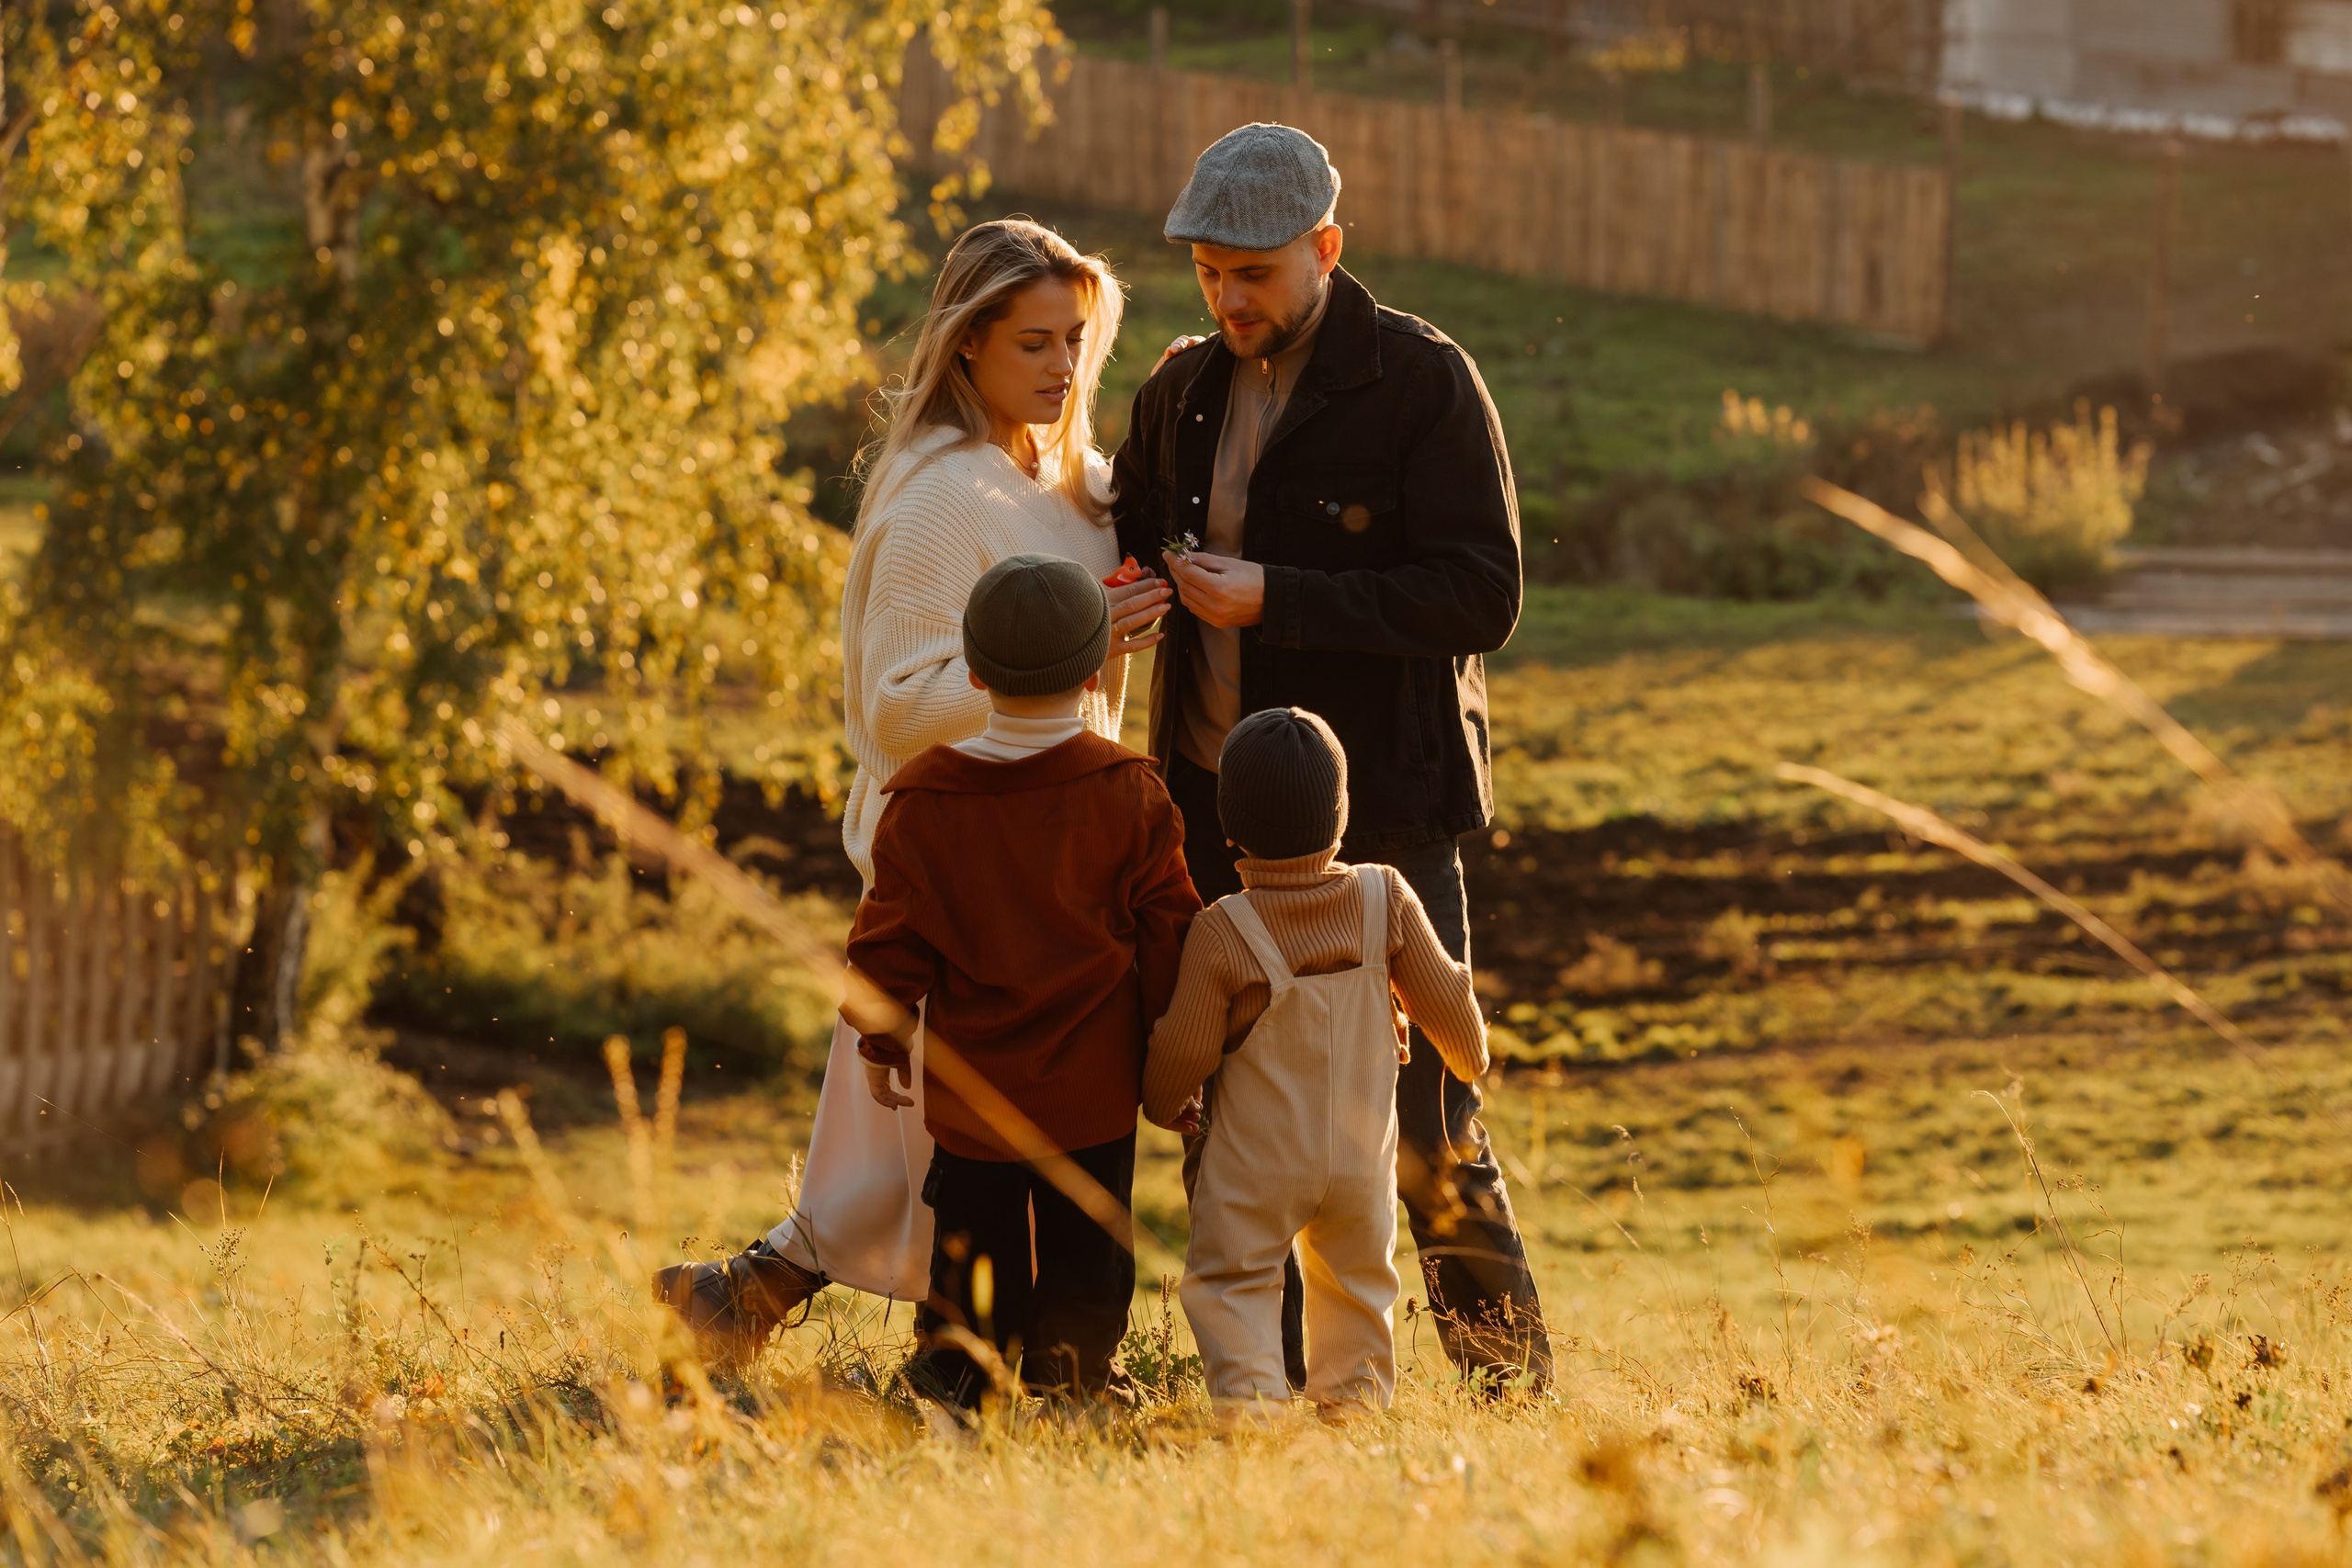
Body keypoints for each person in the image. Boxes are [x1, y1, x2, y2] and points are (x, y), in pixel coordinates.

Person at [656, 220, 1173, 1360]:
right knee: (944, 1151)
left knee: (905, 1152)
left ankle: (748, 1300)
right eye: (1032, 342)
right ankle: (979, 1355)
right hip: (967, 868)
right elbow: (901, 705)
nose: (1060, 368)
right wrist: (1084, 650)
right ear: (967, 345)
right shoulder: (942, 498)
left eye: (1076, 342)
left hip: (1059, 857)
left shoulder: (1073, 485)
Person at [1111, 122, 1552, 1391]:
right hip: (1211, 812)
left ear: (1326, 248)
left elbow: (1484, 594)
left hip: (1389, 814)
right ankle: (1276, 1395)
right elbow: (1136, 527)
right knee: (1237, 1117)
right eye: (1207, 273)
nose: (1228, 297)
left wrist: (1281, 598)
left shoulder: (1423, 379)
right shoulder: (1181, 388)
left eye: (1251, 272)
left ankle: (1514, 1391)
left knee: (1426, 1128)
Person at [842, 553, 1200, 1406]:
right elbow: (1171, 936)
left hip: (975, 1092)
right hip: (1095, 1086)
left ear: (971, 671)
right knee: (1089, 1243)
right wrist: (1175, 1052)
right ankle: (1075, 1380)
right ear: (1096, 666)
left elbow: (889, 940)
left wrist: (882, 1040)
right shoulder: (1131, 792)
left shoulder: (923, 799)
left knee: (974, 1237)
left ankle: (961, 1378)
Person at [1143, 708, 1487, 1418]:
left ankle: (1253, 1417)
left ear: (1228, 822)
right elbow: (1450, 1002)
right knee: (1359, 1285)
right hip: (1362, 1162)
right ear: (1342, 814)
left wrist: (1165, 1098)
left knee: (1234, 1283)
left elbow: (1182, 1053)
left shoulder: (1221, 931)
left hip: (1253, 1167)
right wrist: (1467, 1052)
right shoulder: (1382, 895)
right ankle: (1354, 1421)